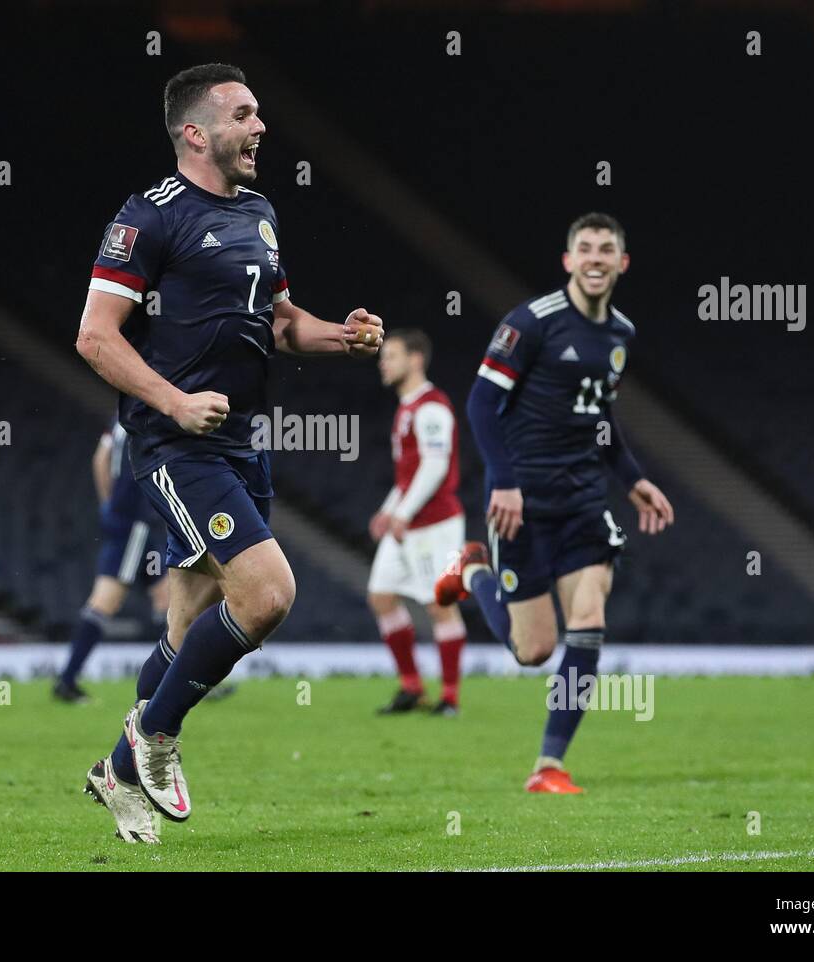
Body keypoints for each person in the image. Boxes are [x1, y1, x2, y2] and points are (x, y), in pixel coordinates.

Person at [75, 63, 382, 842]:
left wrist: (340, 338)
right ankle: (157, 737)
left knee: (188, 629)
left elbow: (280, 324)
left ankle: (116, 767)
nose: (260, 127)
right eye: (243, 115)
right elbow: (94, 336)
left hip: (244, 440)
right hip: (179, 443)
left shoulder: (260, 211)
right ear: (195, 131)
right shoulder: (149, 217)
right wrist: (174, 401)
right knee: (268, 593)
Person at [436, 212, 674, 794]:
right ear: (568, 261)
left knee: (590, 620)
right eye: (585, 249)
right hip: (520, 503)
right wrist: (507, 482)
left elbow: (601, 418)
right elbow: (480, 407)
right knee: (532, 650)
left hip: (584, 503)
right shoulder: (532, 323)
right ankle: (473, 573)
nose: (595, 258)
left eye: (606, 250)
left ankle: (549, 766)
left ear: (622, 263)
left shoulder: (621, 333)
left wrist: (634, 479)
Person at [367, 329, 467, 716]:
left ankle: (450, 698)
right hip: (408, 522)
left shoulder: (432, 407)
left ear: (415, 359)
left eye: (391, 355)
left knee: (439, 605)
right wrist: (390, 508)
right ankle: (411, 686)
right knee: (381, 596)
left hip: (435, 524)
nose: (383, 363)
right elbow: (409, 475)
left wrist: (402, 513)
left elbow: (436, 465)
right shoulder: (407, 407)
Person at [53, 421, 169, 703]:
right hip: (134, 523)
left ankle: (186, 680)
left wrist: (109, 503)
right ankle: (67, 680)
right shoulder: (149, 415)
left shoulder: (121, 420)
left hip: (128, 520)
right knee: (107, 600)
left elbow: (100, 458)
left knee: (168, 599)